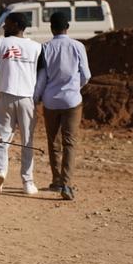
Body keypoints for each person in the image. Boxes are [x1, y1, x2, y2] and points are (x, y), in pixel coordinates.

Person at [35, 12, 91, 200]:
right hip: (72, 101)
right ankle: (67, 184)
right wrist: (75, 87)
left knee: (53, 141)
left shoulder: (45, 48)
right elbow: (86, 75)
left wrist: (36, 98)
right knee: (70, 143)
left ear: (51, 28)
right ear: (68, 27)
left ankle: (56, 180)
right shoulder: (78, 46)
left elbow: (41, 78)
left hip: (51, 101)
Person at [0, 13, 43, 197]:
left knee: (0, 139)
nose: (4, 27)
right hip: (27, 98)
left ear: (17, 25)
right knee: (27, 141)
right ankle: (28, 183)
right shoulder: (37, 47)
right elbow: (42, 74)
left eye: (7, 24)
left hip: (4, 95)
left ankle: (1, 173)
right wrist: (38, 96)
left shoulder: (2, 44)